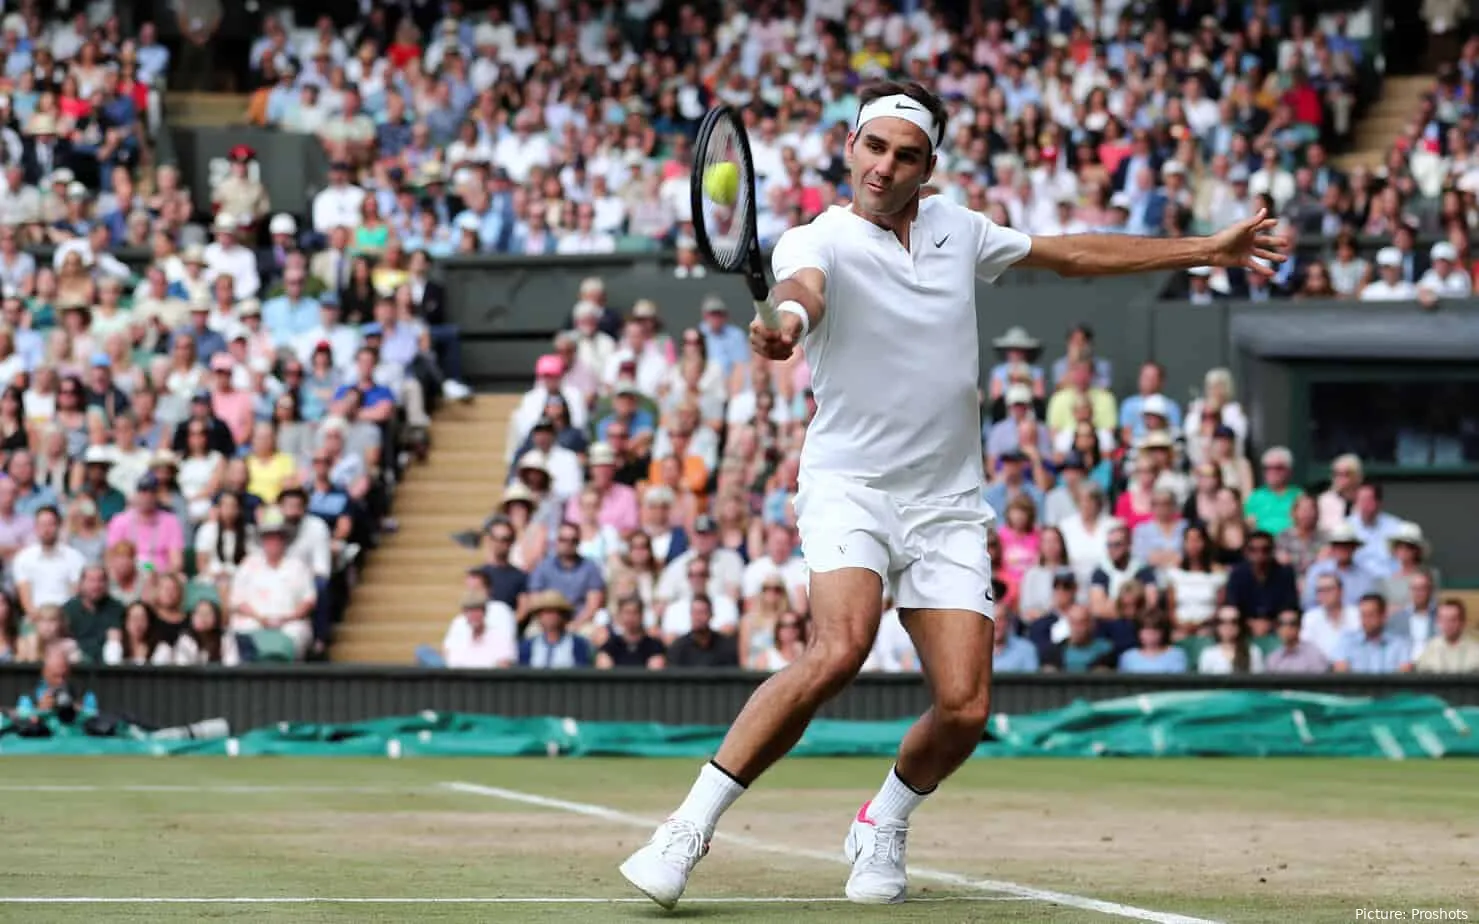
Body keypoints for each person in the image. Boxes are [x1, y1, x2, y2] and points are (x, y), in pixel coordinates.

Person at [619, 79, 1289, 909]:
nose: (884, 167)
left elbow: (1072, 252)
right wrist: (783, 325)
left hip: (946, 503)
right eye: (873, 147)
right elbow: (802, 293)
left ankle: (881, 821)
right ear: (850, 148)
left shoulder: (958, 229)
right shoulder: (813, 239)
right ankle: (685, 830)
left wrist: (1203, 250)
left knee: (966, 708)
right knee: (839, 648)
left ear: (927, 167)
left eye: (905, 155)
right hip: (850, 487)